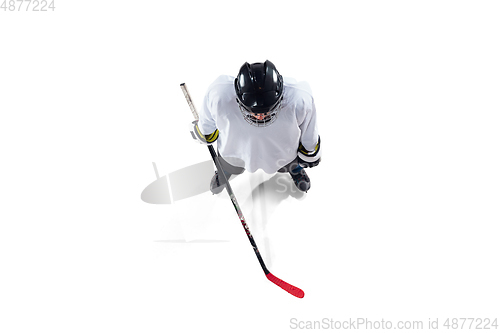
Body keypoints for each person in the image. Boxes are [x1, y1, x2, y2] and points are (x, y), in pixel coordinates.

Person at [190, 60, 321, 194]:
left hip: (282, 151)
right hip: (234, 149)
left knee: (289, 164)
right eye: (254, 112)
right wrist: (204, 131)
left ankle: (296, 170)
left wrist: (309, 150)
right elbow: (207, 126)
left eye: (266, 111)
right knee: (229, 164)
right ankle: (224, 172)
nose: (260, 117)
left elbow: (309, 131)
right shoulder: (218, 95)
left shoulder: (300, 99)